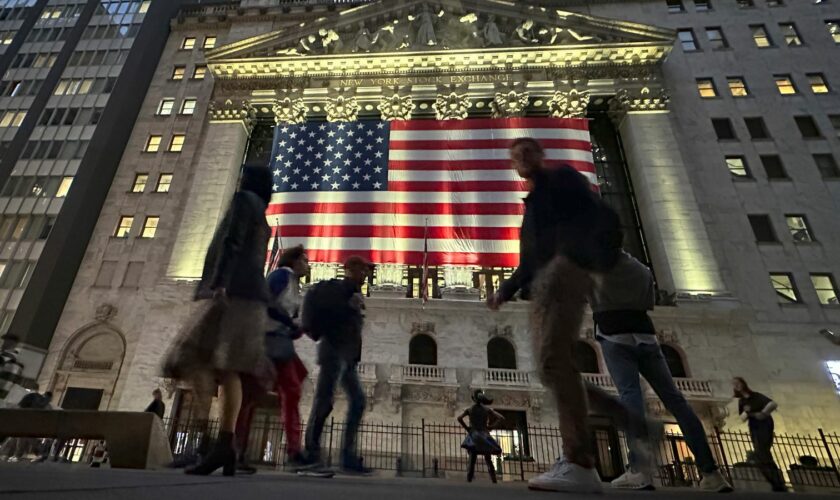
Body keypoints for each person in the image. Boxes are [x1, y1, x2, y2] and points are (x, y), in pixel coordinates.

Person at [487, 137, 643, 493]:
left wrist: (578, 258)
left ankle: (579, 460)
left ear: (540, 155)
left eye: (528, 151)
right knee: (550, 366)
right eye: (516, 155)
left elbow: (603, 217)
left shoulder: (564, 179)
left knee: (555, 363)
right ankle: (622, 417)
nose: (522, 158)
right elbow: (528, 260)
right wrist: (505, 290)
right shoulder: (532, 206)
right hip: (541, 284)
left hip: (564, 274)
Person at [162, 165, 273, 476]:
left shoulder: (243, 201)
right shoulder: (263, 216)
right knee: (229, 369)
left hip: (231, 293)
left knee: (189, 357)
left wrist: (218, 283)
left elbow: (231, 242)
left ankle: (207, 438)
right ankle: (223, 445)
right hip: (251, 297)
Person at [592, 249, 732, 492]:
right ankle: (712, 472)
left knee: (630, 396)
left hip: (613, 334)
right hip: (646, 336)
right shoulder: (640, 268)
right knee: (676, 400)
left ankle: (640, 470)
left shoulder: (593, 266)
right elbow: (649, 301)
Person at [235, 245, 311, 474]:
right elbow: (267, 303)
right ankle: (239, 449)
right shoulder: (280, 276)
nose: (308, 265)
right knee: (259, 392)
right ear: (295, 262)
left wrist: (295, 328)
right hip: (267, 342)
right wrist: (290, 324)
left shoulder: (295, 285)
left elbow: (286, 314)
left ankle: (293, 450)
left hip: (280, 342)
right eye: (305, 260)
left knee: (290, 388)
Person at [299, 256, 374, 474]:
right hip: (333, 352)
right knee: (324, 401)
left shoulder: (354, 293)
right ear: (349, 269)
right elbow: (332, 318)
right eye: (362, 269)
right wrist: (347, 307)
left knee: (358, 401)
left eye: (367, 271)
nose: (366, 274)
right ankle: (310, 453)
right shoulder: (338, 290)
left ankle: (347, 456)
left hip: (347, 358)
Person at [733, 377, 785, 492]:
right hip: (754, 426)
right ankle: (776, 482)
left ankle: (776, 482)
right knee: (761, 453)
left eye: (738, 383)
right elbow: (742, 418)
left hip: (764, 424)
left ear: (743, 383)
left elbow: (772, 404)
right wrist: (746, 411)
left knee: (762, 452)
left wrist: (763, 413)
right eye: (734, 384)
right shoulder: (742, 401)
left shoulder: (756, 396)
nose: (736, 386)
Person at [458, 389, 504, 484]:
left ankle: (469, 479)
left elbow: (459, 418)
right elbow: (501, 418)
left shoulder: (470, 409)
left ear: (474, 399)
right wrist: (491, 427)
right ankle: (494, 480)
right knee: (488, 460)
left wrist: (467, 428)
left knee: (472, 460)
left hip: (474, 435)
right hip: (484, 435)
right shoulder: (487, 410)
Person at [0, 334, 25, 407]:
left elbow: (6, 384)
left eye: (5, 342)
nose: (3, 344)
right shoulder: (15, 363)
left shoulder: (12, 363)